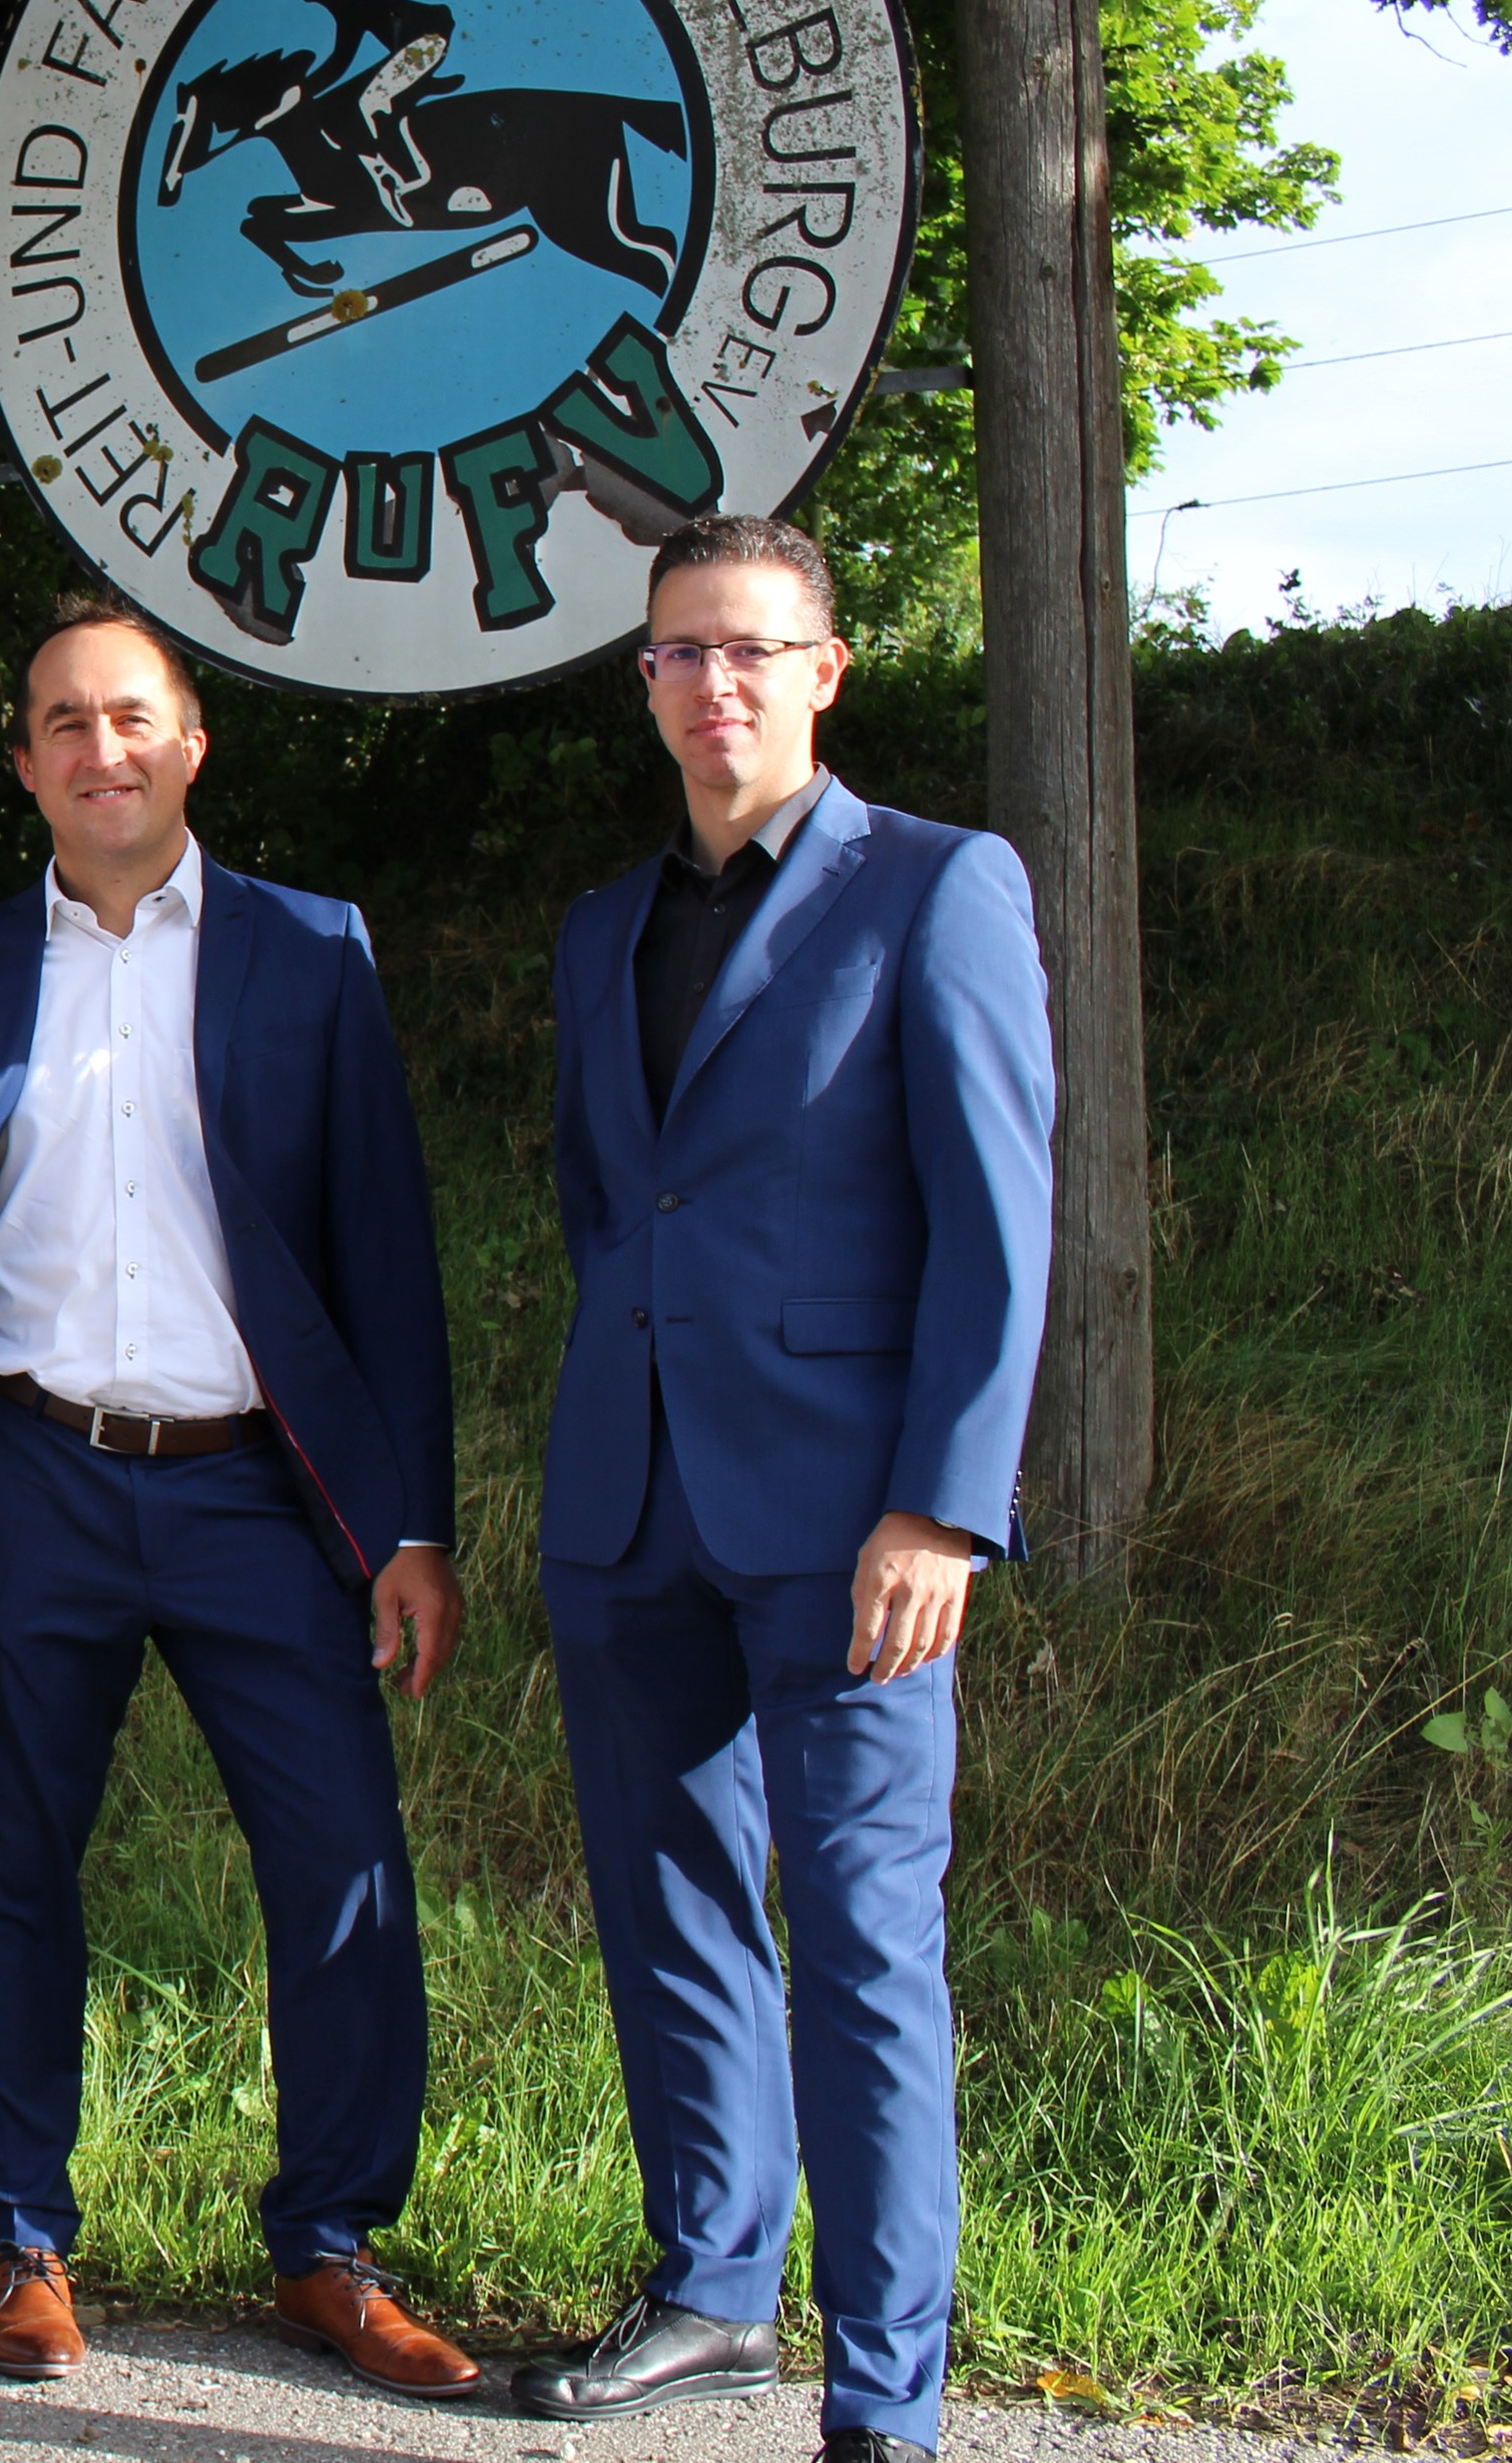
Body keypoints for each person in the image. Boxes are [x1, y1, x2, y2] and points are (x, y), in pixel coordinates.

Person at [509, 515, 1052, 2463]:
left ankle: (882, 2398)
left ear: (825, 668)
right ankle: (709, 2291)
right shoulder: (600, 926)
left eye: (748, 648)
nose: (710, 682)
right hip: (628, 1508)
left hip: (850, 1531)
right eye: (675, 652)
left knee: (858, 1942)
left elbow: (997, 1227)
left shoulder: (935, 889)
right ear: (641, 680)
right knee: (666, 1916)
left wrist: (942, 1505)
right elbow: (600, 1201)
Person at [0, 600, 473, 2397]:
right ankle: (17, 2236)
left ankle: (330, 2247)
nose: (99, 748)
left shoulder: (313, 952)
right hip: (19, 1471)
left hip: (251, 1491)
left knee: (343, 1868)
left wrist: (411, 1524)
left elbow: (387, 1255)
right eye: (61, 721)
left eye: (129, 714)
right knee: (2, 1869)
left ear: (192, 738)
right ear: (24, 764)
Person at [283, 0, 452, 226]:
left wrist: (303, 88)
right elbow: (343, 57)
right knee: (353, 101)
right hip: (416, 45)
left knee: (370, 103)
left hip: (427, 40)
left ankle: (413, 180)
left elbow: (342, 57)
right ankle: (387, 173)